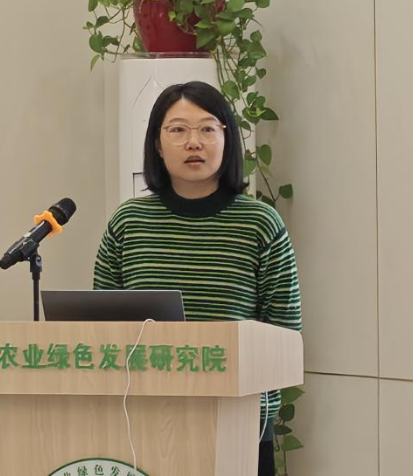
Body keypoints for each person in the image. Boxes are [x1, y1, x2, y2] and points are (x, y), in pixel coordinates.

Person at [93, 80, 302, 476]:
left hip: (238, 422)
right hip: (141, 422)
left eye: (207, 128)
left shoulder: (259, 223)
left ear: (227, 139)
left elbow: (286, 336)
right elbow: (99, 329)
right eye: (177, 130)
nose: (194, 142)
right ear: (157, 144)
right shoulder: (129, 222)